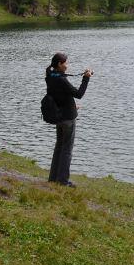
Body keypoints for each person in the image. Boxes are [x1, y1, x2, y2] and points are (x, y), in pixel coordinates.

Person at [45, 52, 92, 187]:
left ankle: (53, 178)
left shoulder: (50, 75)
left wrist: (71, 105)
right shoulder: (61, 79)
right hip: (67, 119)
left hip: (58, 116)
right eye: (65, 63)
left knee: (59, 147)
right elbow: (78, 94)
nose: (67, 65)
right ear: (59, 64)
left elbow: (58, 95)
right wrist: (86, 78)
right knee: (67, 150)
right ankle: (63, 181)